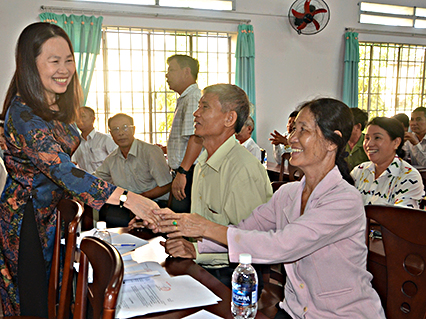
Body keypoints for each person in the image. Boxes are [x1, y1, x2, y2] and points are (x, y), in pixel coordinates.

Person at [153, 98, 386, 319]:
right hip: (294, 311)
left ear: (331, 141)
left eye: (303, 130)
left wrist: (204, 227)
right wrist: (195, 247)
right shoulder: (288, 194)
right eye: (293, 129)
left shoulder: (345, 200)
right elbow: (244, 230)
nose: (291, 138)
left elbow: (281, 245)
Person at [0, 22, 158, 317]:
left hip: (50, 214)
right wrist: (129, 198)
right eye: (54, 61)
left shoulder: (55, 106)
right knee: (33, 304)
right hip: (27, 220)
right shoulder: (23, 115)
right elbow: (63, 171)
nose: (65, 69)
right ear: (30, 65)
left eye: (69, 60)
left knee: (55, 294)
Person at [156, 84, 272, 289]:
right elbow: (201, 224)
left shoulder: (242, 168)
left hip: (234, 275)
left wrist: (196, 251)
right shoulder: (202, 162)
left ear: (229, 119)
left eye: (205, 107)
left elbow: (253, 241)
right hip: (204, 266)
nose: (196, 113)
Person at [94, 113, 172, 226]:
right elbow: (95, 179)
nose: (121, 133)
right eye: (115, 129)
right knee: (109, 216)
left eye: (125, 127)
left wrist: (137, 200)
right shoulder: (111, 159)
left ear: (133, 129)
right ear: (111, 134)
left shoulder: (151, 151)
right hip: (126, 205)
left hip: (153, 203)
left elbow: (166, 185)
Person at [158, 55, 203, 213]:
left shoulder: (193, 98)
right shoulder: (185, 98)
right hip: (185, 170)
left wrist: (182, 173)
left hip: (188, 172)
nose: (167, 75)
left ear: (186, 72)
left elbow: (196, 138)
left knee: (182, 222)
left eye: (171, 70)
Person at [351, 117, 424, 208]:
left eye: (377, 138)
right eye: (367, 138)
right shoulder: (359, 171)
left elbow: (400, 218)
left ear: (396, 142)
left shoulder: (408, 175)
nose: (369, 144)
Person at [71, 106, 117, 173]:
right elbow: (72, 163)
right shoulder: (75, 143)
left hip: (106, 181)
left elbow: (118, 161)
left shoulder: (105, 139)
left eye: (83, 116)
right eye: (77, 117)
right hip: (87, 181)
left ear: (93, 119)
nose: (79, 120)